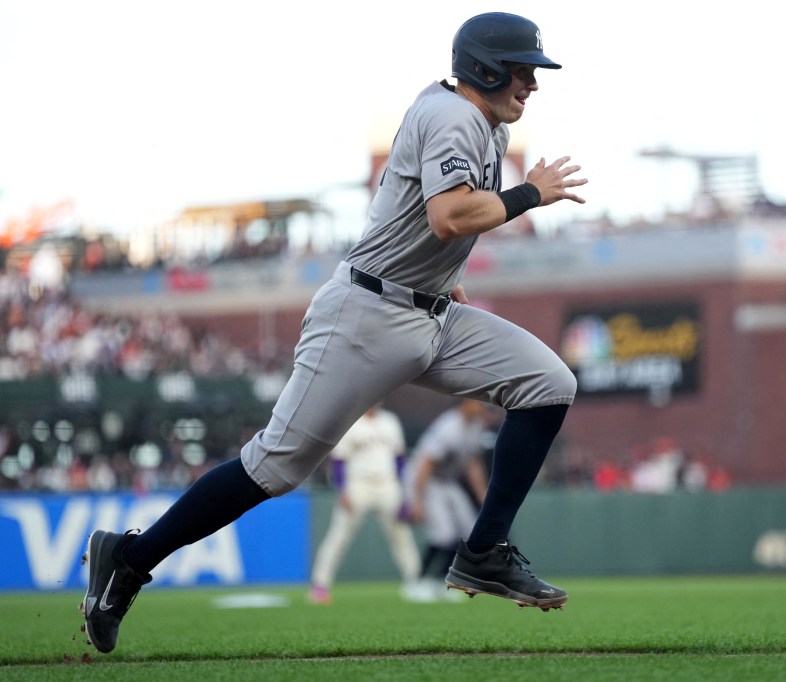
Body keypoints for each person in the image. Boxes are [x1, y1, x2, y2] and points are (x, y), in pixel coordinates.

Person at [79, 11, 586, 653]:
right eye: (522, 69)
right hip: (367, 317)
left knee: (548, 383)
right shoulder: (456, 115)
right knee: (274, 468)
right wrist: (530, 193)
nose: (532, 83)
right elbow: (450, 215)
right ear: (484, 67)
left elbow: (423, 225)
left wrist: (442, 275)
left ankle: (484, 550)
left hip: (427, 308)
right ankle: (132, 558)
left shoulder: (475, 119)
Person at [308, 404, 422, 604]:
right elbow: (339, 461)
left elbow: (399, 459)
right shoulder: (351, 422)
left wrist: (404, 492)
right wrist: (342, 490)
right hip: (357, 483)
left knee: (401, 535)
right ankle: (320, 585)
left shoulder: (390, 420)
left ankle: (416, 582)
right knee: (339, 536)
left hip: (388, 483)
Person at [403, 399, 491, 602]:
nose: (481, 406)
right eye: (477, 401)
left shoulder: (476, 425)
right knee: (443, 535)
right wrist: (417, 502)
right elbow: (425, 464)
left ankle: (442, 581)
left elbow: (473, 464)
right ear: (464, 403)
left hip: (447, 480)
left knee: (469, 533)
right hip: (426, 480)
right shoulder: (449, 426)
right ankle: (416, 582)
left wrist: (483, 496)